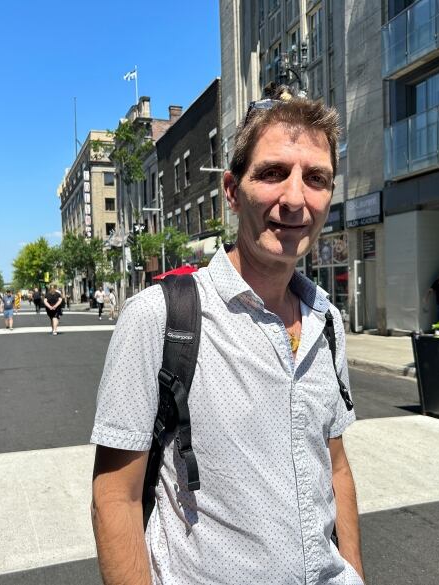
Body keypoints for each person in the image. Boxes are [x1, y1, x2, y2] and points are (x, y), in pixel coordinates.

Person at [90, 88, 365, 585]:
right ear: (233, 191)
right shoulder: (158, 316)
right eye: (273, 173)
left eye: (316, 179)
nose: (295, 199)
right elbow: (116, 496)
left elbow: (337, 467)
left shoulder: (328, 320)